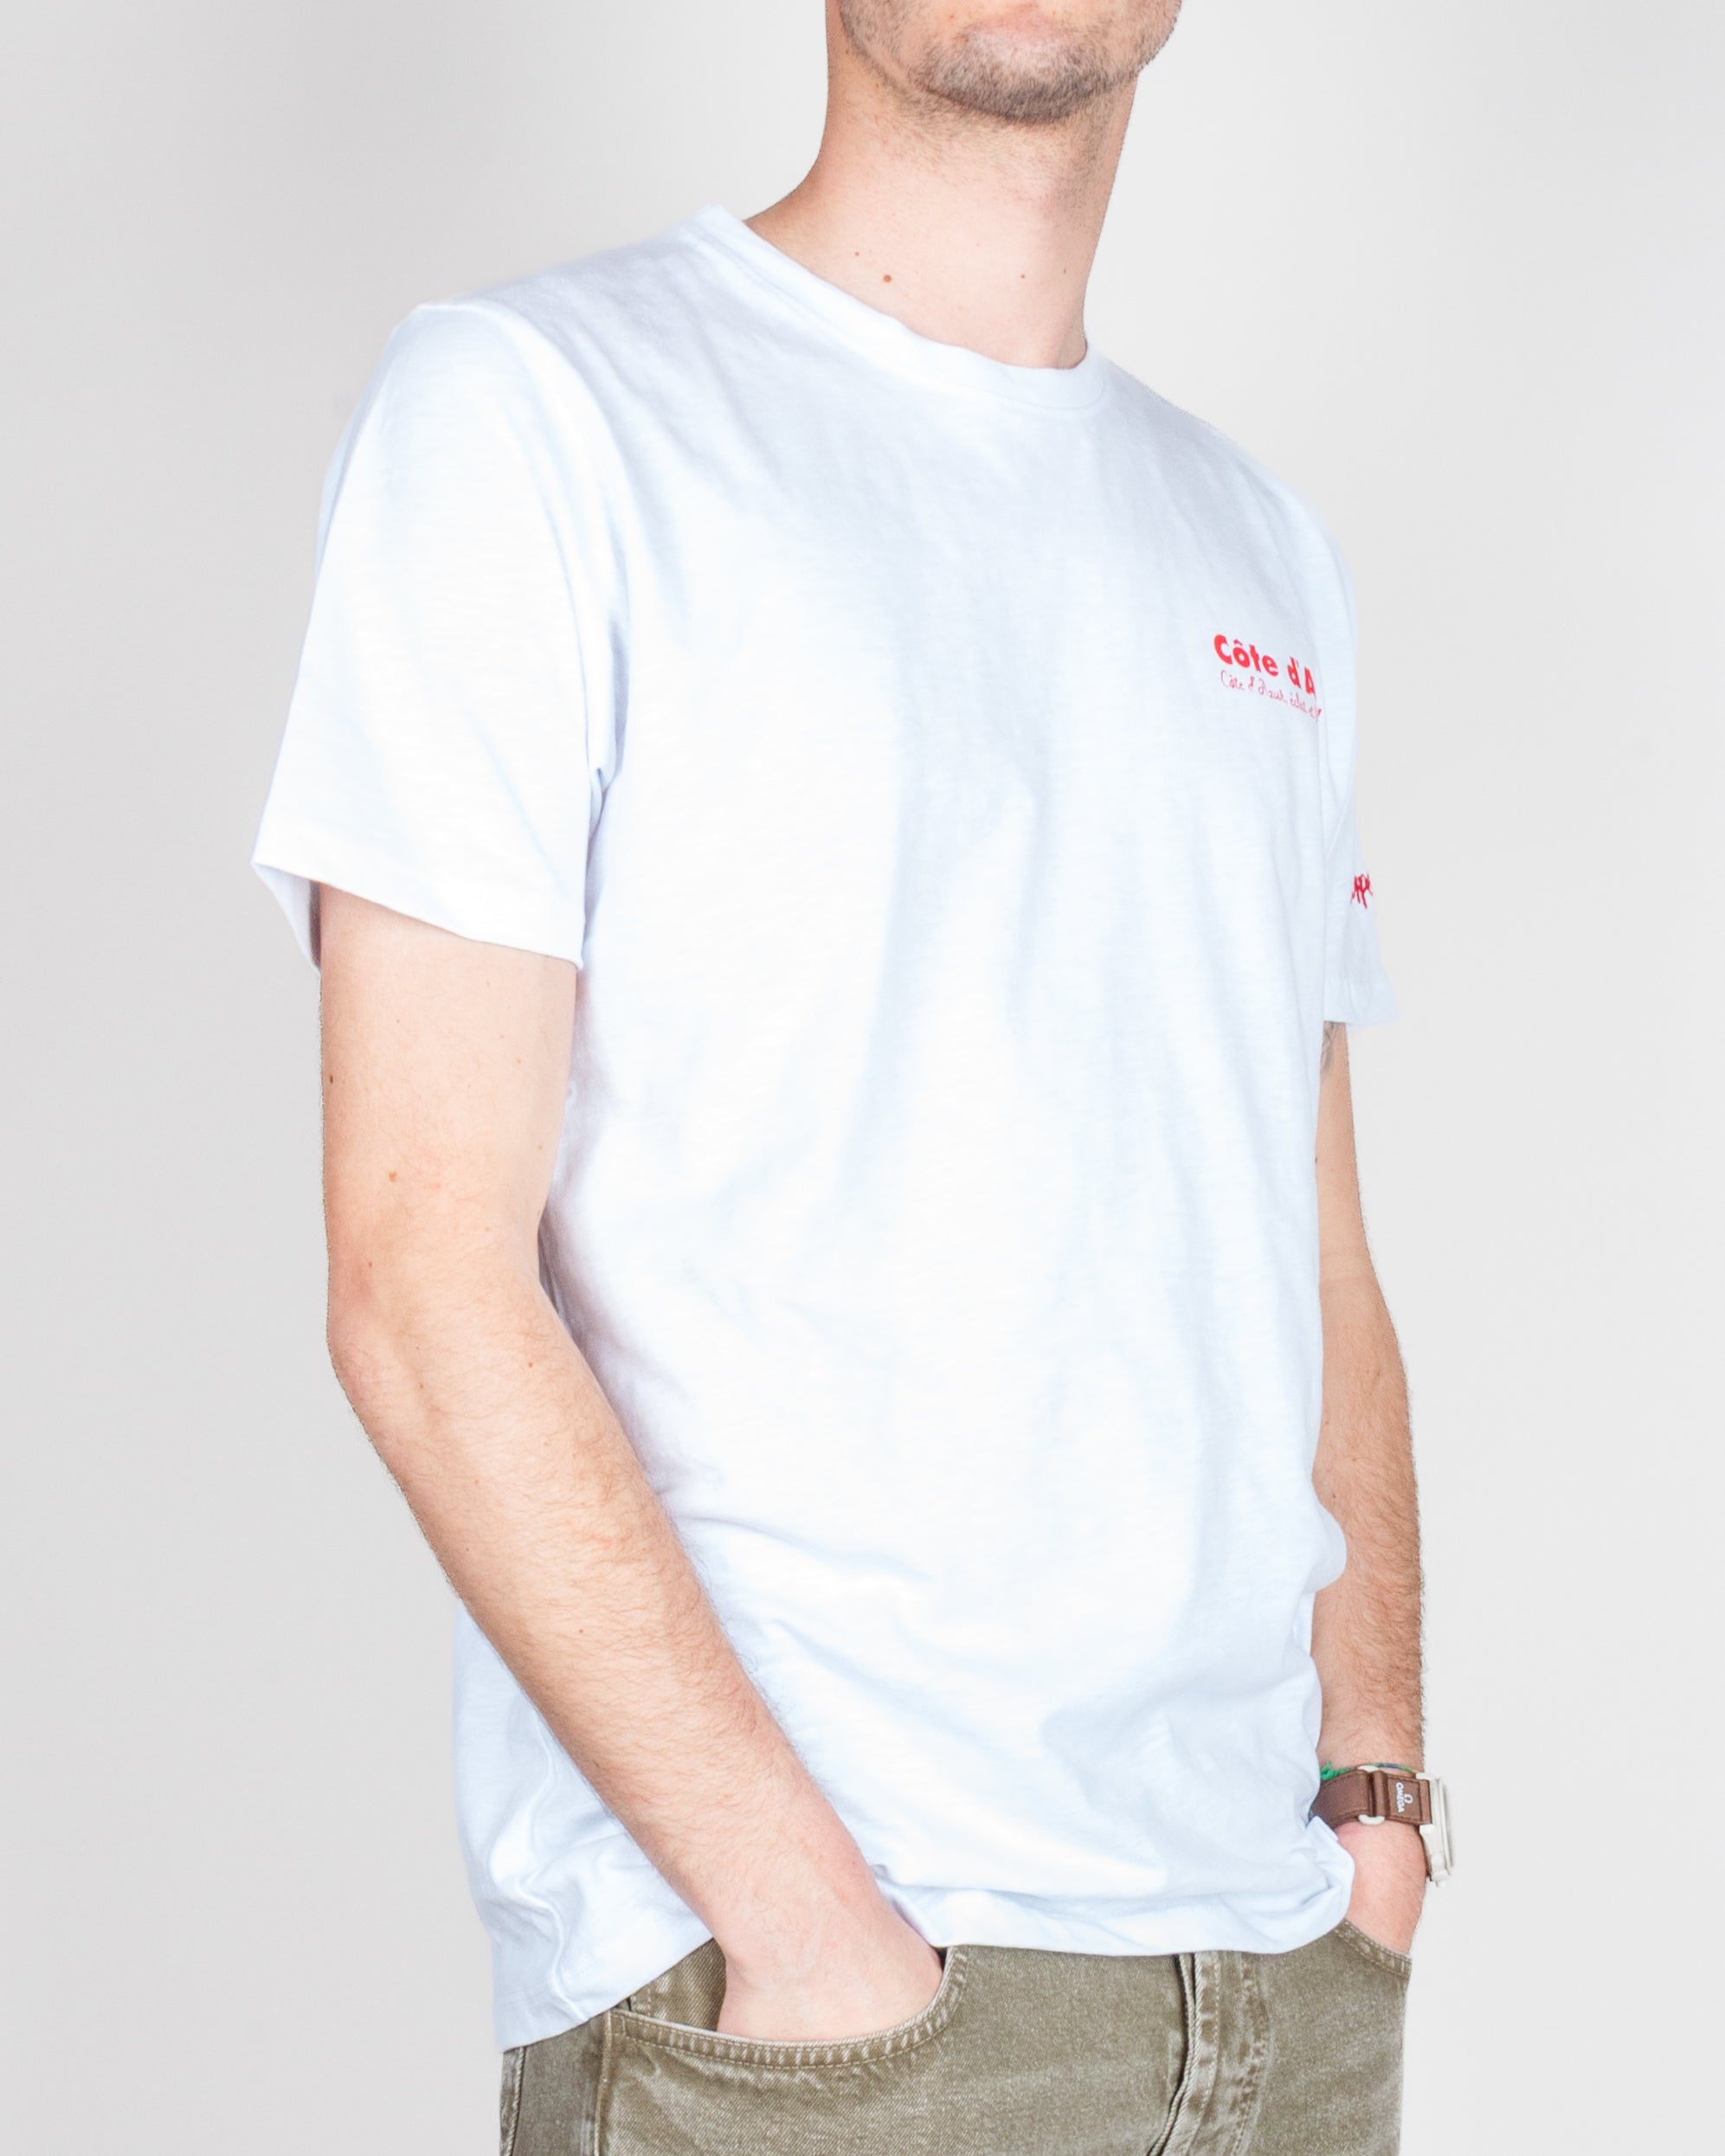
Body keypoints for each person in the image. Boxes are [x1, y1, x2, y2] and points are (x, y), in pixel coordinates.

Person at [254, 3, 1447, 2148]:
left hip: (1276, 1995)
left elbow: (1318, 1257)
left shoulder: (1262, 549)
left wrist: (1376, 1802)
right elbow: (420, 1277)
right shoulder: (534, 412)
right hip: (823, 2024)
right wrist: (806, 1932)